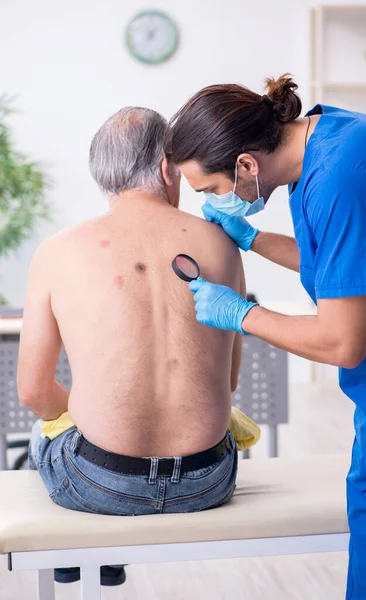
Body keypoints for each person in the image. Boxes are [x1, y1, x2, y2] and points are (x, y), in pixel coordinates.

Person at [165, 74, 366, 599]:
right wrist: (254, 239)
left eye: (212, 190)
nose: (213, 202)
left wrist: (243, 314)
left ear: (246, 164)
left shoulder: (343, 177)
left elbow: (344, 342)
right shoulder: (324, 141)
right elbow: (343, 267)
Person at [17, 106, 244, 586]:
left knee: (43, 438)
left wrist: (104, 413)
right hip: (207, 480)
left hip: (98, 481)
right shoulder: (222, 245)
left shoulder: (58, 251)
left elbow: (34, 393)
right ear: (167, 167)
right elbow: (228, 381)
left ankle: (88, 544)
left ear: (104, 175)